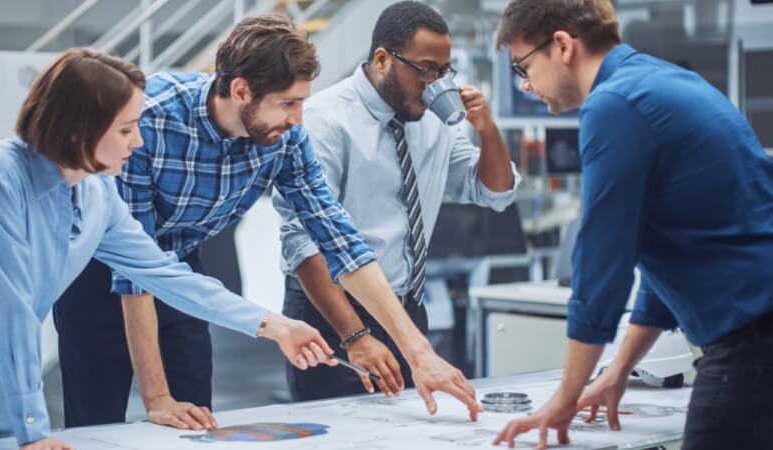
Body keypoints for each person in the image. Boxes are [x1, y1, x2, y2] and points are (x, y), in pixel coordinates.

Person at [0, 47, 336, 450]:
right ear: (77, 128)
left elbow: (166, 274)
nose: (138, 141)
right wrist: (32, 431)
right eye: (125, 128)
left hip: (13, 400)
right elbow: (11, 308)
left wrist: (273, 325)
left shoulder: (96, 194)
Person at [54, 14, 480, 430]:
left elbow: (338, 237)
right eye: (288, 103)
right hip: (101, 268)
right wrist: (157, 399)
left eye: (301, 102)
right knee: (97, 421)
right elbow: (137, 269)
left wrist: (418, 352)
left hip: (181, 266)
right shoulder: (152, 120)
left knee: (195, 417)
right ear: (241, 90)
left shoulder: (286, 137)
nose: (298, 118)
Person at [489, 1, 773, 449]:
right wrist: (616, 372)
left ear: (562, 45)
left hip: (753, 345)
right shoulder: (661, 81)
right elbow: (666, 254)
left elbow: (603, 259)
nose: (526, 85)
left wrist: (565, 396)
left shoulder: (614, 104)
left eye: (523, 66)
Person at [274, 1, 518, 401]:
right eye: (424, 70)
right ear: (383, 59)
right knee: (338, 432)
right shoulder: (325, 120)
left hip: (406, 309)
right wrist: (355, 335)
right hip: (332, 311)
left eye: (443, 72)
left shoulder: (433, 120)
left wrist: (486, 129)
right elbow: (303, 246)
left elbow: (493, 191)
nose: (435, 83)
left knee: (408, 432)